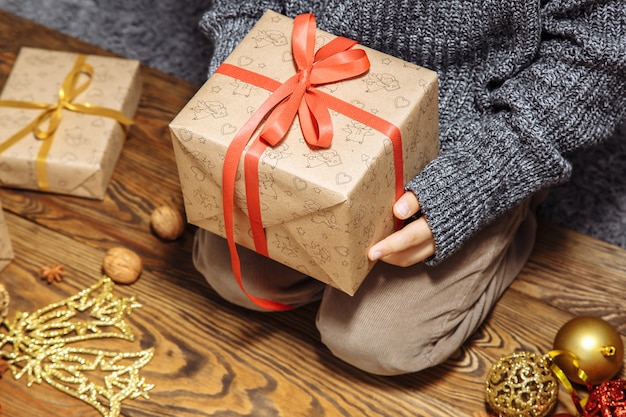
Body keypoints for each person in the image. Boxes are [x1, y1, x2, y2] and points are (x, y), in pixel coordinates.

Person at [193, 0, 626, 375]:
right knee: (234, 277)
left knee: (370, 341)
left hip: (476, 129)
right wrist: (245, 79)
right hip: (310, 77)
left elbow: (596, 58)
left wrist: (478, 180)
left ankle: (515, 210)